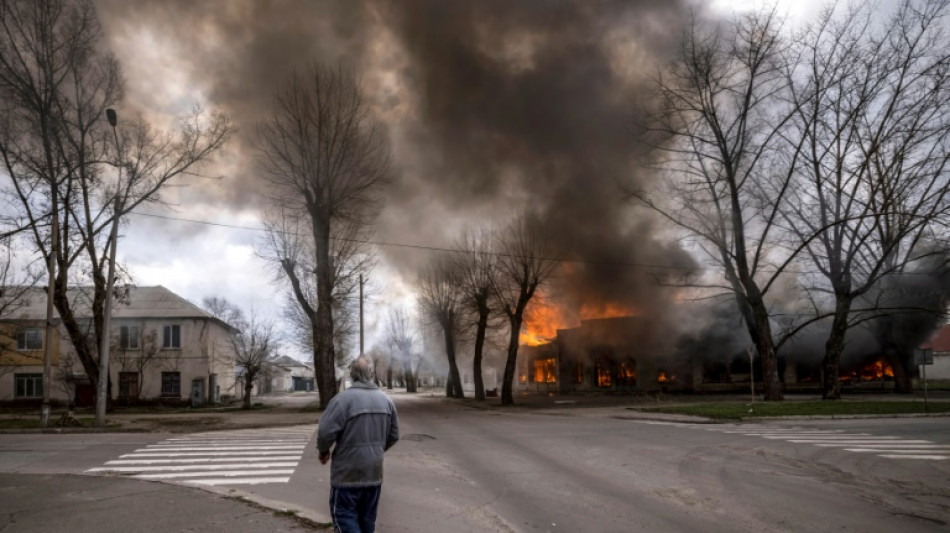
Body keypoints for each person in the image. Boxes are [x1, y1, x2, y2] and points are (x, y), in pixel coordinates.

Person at [317, 357, 399, 533]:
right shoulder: (386, 401)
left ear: (352, 375)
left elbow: (325, 431)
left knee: (344, 518)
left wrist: (324, 451)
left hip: (347, 476)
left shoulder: (341, 401)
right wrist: (376, 450)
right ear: (372, 374)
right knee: (367, 522)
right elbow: (394, 435)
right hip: (373, 474)